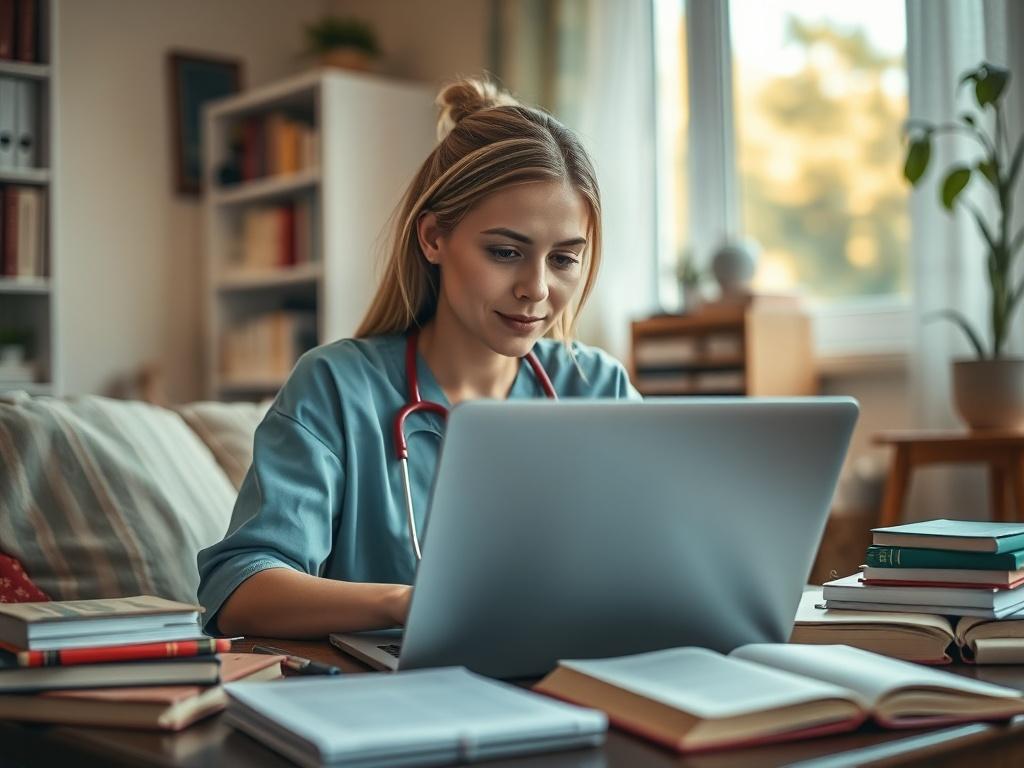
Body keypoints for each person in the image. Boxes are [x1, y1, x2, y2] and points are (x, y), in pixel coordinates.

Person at [196, 77, 640, 639]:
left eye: (564, 259)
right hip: (395, 696)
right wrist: (409, 603)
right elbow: (240, 588)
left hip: (575, 676)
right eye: (506, 252)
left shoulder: (597, 386)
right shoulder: (337, 386)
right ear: (433, 238)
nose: (536, 288)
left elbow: (659, 555)